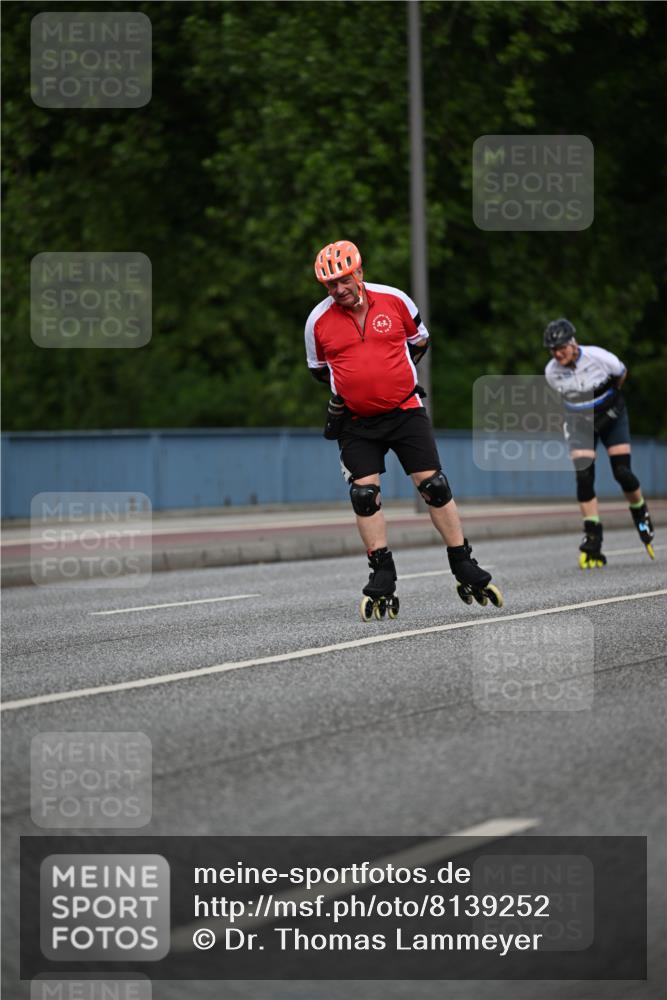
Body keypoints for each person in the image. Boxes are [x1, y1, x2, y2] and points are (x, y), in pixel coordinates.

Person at [305, 239, 502, 619]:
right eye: (331, 284)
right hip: (356, 422)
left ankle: (463, 564)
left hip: (405, 411)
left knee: (434, 486)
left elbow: (420, 341)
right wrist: (357, 386)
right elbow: (318, 370)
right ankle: (382, 575)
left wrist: (393, 377)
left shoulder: (395, 300)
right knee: (364, 495)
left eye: (344, 279)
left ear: (359, 272)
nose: (339, 289)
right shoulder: (317, 322)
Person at [543, 318, 655, 567]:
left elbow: (621, 374)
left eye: (562, 347)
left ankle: (640, 510)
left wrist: (611, 404)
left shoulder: (599, 357)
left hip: (611, 416)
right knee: (584, 477)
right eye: (553, 350)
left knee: (622, 473)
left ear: (573, 343)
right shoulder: (551, 372)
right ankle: (593, 535)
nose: (558, 354)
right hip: (580, 422)